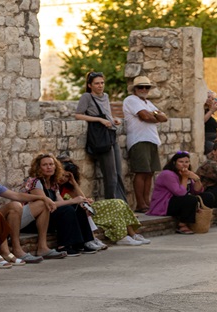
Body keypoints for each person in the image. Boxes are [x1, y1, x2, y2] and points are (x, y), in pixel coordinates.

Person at [58, 158, 149, 246]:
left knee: (120, 203)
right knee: (116, 206)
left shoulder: (68, 186)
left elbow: (83, 198)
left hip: (88, 208)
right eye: (63, 175)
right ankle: (122, 237)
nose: (63, 178)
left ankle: (132, 234)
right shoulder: (55, 186)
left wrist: (74, 182)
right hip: (83, 212)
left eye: (67, 176)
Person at [22, 153, 98, 256]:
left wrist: (78, 202)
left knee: (77, 208)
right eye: (45, 165)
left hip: (49, 216)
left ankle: (84, 242)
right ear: (38, 168)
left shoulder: (53, 183)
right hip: (34, 221)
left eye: (51, 164)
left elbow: (61, 202)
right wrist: (72, 200)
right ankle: (64, 245)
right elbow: (46, 204)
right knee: (68, 209)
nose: (49, 167)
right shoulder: (34, 182)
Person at [74, 71, 127, 201]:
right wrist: (99, 120)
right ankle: (112, 206)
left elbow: (106, 113)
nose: (100, 86)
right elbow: (78, 115)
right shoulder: (87, 97)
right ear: (90, 85)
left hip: (111, 135)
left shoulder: (106, 96)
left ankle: (122, 207)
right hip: (101, 138)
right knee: (111, 175)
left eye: (102, 83)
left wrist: (114, 119)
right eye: (97, 83)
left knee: (119, 173)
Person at [123, 76, 169, 213]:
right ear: (135, 89)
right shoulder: (131, 100)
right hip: (139, 139)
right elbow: (146, 117)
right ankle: (140, 204)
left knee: (149, 173)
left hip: (151, 139)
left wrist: (152, 114)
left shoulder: (148, 103)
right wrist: (155, 115)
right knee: (141, 172)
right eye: (140, 87)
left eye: (146, 87)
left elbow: (164, 118)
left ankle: (147, 202)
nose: (143, 89)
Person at [149, 151, 213, 234]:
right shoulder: (167, 174)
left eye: (187, 162)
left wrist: (196, 179)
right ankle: (182, 225)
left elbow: (197, 191)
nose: (184, 164)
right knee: (190, 199)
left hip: (179, 201)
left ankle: (201, 221)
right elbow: (180, 193)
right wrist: (185, 178)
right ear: (174, 163)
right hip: (164, 205)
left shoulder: (185, 173)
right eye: (181, 162)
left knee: (208, 196)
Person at [204, 90, 217, 155]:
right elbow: (202, 121)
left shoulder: (212, 111)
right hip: (206, 140)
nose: (210, 100)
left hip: (213, 139)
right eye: (208, 97)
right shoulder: (202, 110)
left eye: (213, 98)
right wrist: (211, 110)